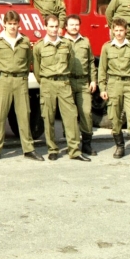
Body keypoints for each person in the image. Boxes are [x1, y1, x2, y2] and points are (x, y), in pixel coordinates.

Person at [0, 10, 39, 162]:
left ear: (18, 25)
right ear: (4, 24)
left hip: (21, 81)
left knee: (24, 115)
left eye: (15, 24)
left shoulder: (25, 41)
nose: (12, 27)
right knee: (0, 116)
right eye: (10, 24)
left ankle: (28, 149)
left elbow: (29, 59)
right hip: (3, 81)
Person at [32, 15, 87, 161]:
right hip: (47, 84)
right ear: (45, 27)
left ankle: (74, 150)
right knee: (48, 117)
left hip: (64, 83)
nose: (54, 29)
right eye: (51, 26)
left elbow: (69, 63)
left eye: (56, 26)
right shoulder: (39, 46)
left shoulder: (66, 44)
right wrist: (45, 81)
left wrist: (63, 76)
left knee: (71, 116)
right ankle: (52, 149)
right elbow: (37, 69)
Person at [98, 18, 130, 162]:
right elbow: (102, 69)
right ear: (112, 31)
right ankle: (120, 146)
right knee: (115, 118)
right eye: (116, 30)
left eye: (121, 30)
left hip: (128, 84)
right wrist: (102, 88)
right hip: (113, 85)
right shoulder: (106, 47)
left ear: (126, 31)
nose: (118, 33)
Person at [64, 14, 97, 156]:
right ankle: (71, 144)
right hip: (67, 82)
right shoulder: (61, 42)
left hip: (83, 82)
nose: (74, 27)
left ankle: (87, 145)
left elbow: (90, 62)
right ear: (66, 26)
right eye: (71, 24)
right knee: (70, 115)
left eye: (77, 24)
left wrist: (93, 80)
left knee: (86, 113)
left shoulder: (86, 41)